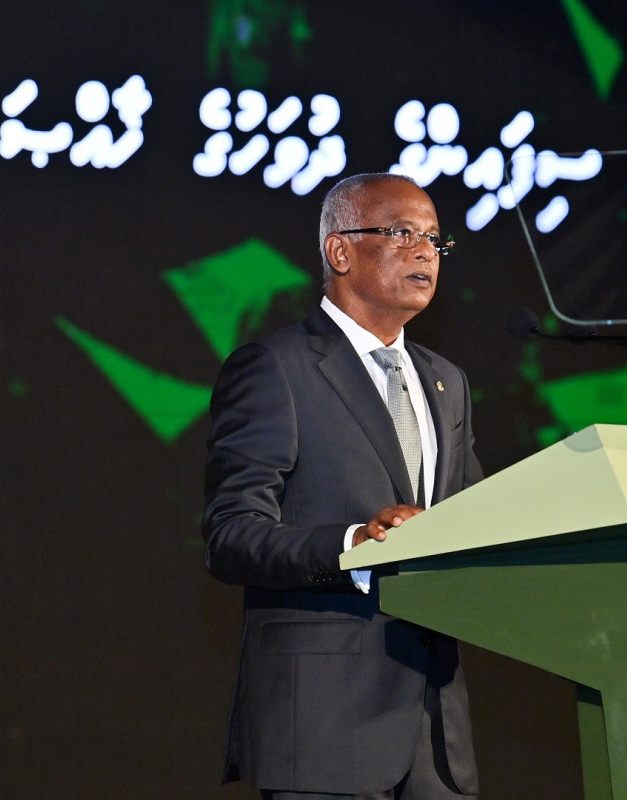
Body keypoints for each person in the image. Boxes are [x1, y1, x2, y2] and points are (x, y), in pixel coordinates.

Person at [202, 172, 482, 800]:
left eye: (435, 239)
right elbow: (231, 535)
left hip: (435, 737)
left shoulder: (447, 381)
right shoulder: (276, 368)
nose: (424, 252)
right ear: (340, 250)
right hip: (323, 730)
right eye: (402, 233)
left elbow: (474, 515)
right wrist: (353, 542)